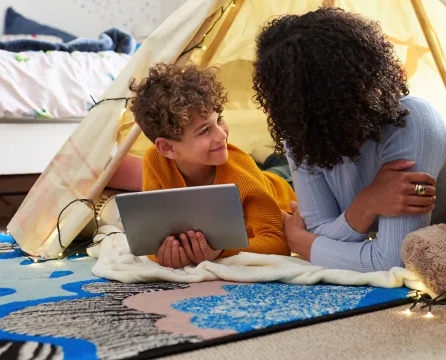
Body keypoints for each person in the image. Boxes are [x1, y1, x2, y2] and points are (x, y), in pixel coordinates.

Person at [252, 7, 446, 272]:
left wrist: (303, 243)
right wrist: (366, 204)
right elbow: (319, 228)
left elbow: (393, 261)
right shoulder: (301, 131)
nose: (272, 110)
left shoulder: (412, 121)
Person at [128, 63, 297, 268]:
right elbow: (154, 241)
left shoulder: (240, 171)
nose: (221, 135)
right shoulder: (154, 161)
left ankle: (275, 157)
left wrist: (221, 251)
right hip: (260, 174)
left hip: (285, 187)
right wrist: (166, 255)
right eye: (204, 130)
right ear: (167, 148)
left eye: (220, 120)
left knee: (288, 165)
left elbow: (277, 243)